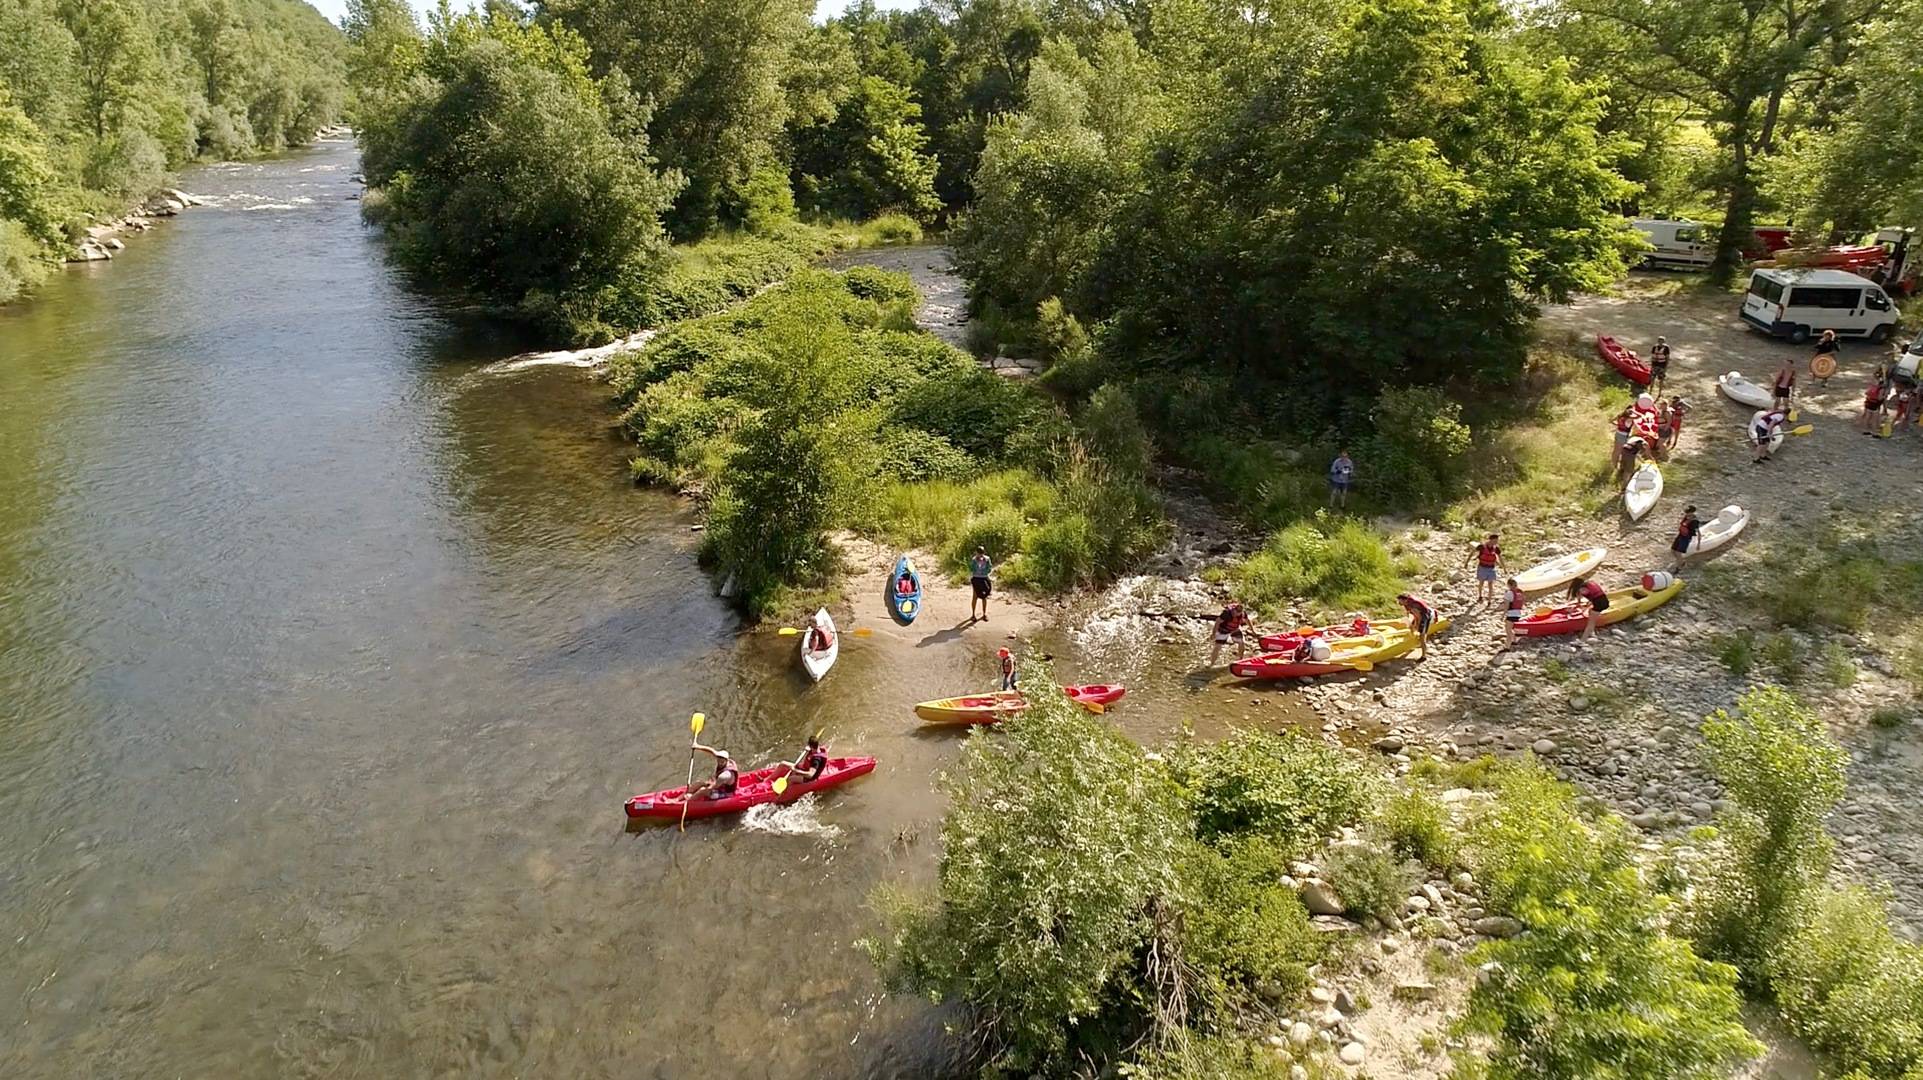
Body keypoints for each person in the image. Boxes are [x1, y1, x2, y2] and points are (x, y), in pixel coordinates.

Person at [1208, 601, 1251, 666]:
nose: (1237, 614)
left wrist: (1252, 630)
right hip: (1223, 630)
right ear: (1234, 610)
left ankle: (1240, 660)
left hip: (1234, 629)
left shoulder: (1243, 614)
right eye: (1236, 612)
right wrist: (1213, 633)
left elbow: (1247, 620)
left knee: (1241, 643)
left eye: (1239, 613)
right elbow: (1217, 622)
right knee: (1218, 647)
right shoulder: (1226, 613)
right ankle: (1212, 664)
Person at [1568, 576, 1610, 641]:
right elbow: (1595, 596)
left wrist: (1580, 606)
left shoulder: (1582, 589)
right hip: (1604, 601)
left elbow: (1583, 595)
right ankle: (1592, 633)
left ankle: (1582, 641)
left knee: (1590, 623)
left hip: (1599, 604)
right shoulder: (1590, 583)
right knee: (1590, 611)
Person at [1396, 593, 1437, 660]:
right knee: (1412, 627)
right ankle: (1411, 645)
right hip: (1420, 614)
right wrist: (1413, 625)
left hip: (1425, 617)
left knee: (1422, 636)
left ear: (1404, 600)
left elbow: (1419, 617)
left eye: (1400, 601)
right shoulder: (1408, 602)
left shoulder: (1413, 606)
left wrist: (1417, 625)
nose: (1398, 602)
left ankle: (1424, 656)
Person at [1466, 532, 1502, 606]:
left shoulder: (1496, 548)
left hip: (1491, 568)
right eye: (1495, 540)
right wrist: (1466, 563)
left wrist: (1504, 568)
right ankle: (1480, 596)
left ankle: (1489, 601)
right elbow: (1472, 553)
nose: (1496, 542)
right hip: (1482, 567)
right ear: (1491, 540)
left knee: (1490, 584)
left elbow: (1500, 558)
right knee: (1481, 582)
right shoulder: (1482, 546)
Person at [1671, 504, 1702, 571]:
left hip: (1686, 538)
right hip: (1680, 535)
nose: (1687, 514)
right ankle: (1682, 562)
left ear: (1692, 512)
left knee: (1678, 553)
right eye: (1686, 513)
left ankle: (1679, 567)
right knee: (1673, 551)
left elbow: (1699, 533)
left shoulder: (1694, 522)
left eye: (1688, 513)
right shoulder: (1686, 517)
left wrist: (1698, 544)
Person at [968, 546, 993, 621]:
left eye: (981, 553)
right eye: (979, 553)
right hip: (976, 578)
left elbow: (989, 568)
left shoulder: (987, 559)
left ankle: (984, 614)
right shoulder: (974, 559)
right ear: (976, 553)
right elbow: (971, 568)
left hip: (984, 578)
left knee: (984, 596)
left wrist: (984, 572)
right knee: (975, 596)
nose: (980, 555)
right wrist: (976, 563)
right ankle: (973, 615)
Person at [1502, 577, 1525, 649]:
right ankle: (1514, 641)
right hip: (1518, 613)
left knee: (1508, 631)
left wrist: (1503, 614)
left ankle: (1507, 647)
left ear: (1509, 585)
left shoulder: (1509, 593)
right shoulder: (1519, 592)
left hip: (1511, 614)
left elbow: (1506, 605)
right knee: (1511, 628)